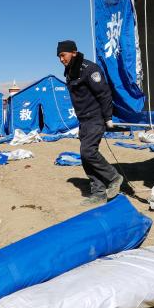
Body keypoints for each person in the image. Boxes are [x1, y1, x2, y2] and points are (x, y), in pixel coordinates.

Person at [57, 39, 123, 205]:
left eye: (63, 55)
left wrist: (108, 117)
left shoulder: (89, 69)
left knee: (88, 152)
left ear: (74, 52)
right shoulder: (69, 72)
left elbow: (104, 93)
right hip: (83, 120)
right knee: (85, 157)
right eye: (58, 56)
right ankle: (98, 192)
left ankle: (114, 177)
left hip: (95, 117)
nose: (61, 59)